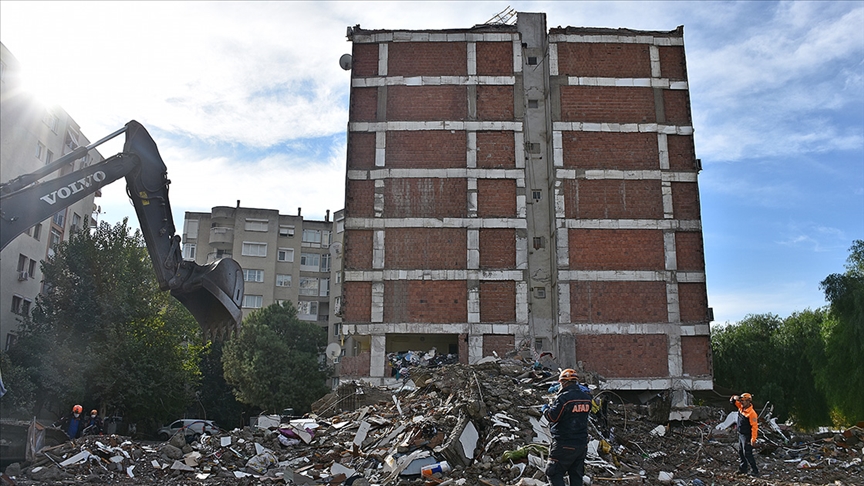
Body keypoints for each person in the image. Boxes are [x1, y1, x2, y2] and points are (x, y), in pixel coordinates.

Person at [543, 368, 592, 486]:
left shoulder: (564, 398)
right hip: (581, 445)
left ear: (564, 382)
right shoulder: (586, 397)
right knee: (576, 476)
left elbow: (553, 417)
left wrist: (545, 409)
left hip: (564, 443)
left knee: (553, 472)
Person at [731, 393, 759, 476]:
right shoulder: (741, 408)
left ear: (748, 401)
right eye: (741, 401)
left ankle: (755, 471)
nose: (741, 402)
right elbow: (732, 401)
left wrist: (753, 439)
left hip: (747, 436)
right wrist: (735, 397)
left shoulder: (751, 413)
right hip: (741, 434)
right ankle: (743, 468)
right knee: (740, 452)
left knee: (747, 453)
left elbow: (754, 427)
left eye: (743, 401)